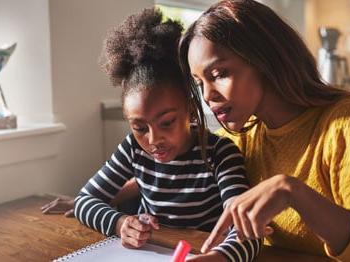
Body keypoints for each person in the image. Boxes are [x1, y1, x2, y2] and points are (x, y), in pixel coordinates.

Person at [178, 0, 350, 261]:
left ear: (264, 60)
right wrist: (125, 222)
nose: (208, 95)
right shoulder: (238, 138)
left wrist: (293, 192)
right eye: (199, 83)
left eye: (219, 73)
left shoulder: (341, 122)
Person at [73, 8, 262, 262]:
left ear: (189, 107)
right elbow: (84, 200)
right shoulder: (133, 148)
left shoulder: (220, 153)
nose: (153, 140)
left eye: (167, 122)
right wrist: (120, 224)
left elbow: (247, 231)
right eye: (140, 128)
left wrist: (219, 257)